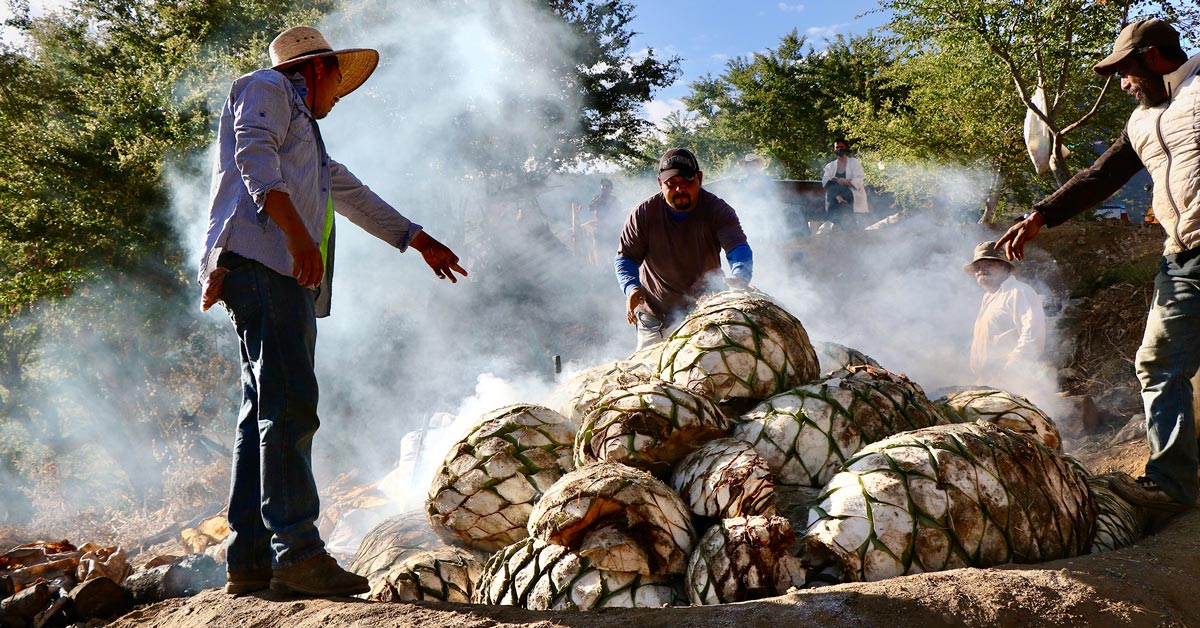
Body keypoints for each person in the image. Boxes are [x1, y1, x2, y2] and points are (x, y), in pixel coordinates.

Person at [197, 26, 468, 597]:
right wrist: (298, 238)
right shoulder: (266, 86)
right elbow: (253, 153)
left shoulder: (309, 140)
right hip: (270, 267)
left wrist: (418, 240)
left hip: (265, 271)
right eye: (337, 82)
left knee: (262, 411)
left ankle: (250, 561)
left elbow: (352, 193)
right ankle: (297, 553)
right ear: (315, 68)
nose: (339, 95)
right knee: (291, 405)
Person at [997, 18, 1198, 514]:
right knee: (1157, 363)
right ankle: (1172, 484)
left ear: (1152, 57)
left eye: (1126, 72)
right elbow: (1100, 176)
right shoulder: (1142, 121)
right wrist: (1040, 215)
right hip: (1183, 259)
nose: (1123, 85)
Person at [614, 148, 753, 350]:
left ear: (699, 179)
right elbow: (626, 258)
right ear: (660, 183)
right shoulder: (643, 214)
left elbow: (738, 248)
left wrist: (741, 275)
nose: (679, 189)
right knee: (648, 375)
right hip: (654, 317)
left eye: (686, 182)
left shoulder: (718, 210)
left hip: (705, 313)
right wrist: (631, 287)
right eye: (672, 184)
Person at [964, 241, 1046, 388]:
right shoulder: (988, 298)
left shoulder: (1019, 292)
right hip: (988, 382)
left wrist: (1009, 371)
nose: (981, 270)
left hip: (1012, 382)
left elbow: (1033, 338)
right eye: (977, 267)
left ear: (1005, 266)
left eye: (988, 265)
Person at [821, 138, 869, 228]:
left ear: (846, 147)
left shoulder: (854, 162)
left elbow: (859, 178)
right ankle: (839, 201)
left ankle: (832, 217)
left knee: (833, 186)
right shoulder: (830, 166)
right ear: (833, 149)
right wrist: (838, 180)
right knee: (832, 186)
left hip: (850, 192)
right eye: (837, 147)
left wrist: (844, 181)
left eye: (841, 147)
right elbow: (825, 181)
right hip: (835, 193)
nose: (839, 149)